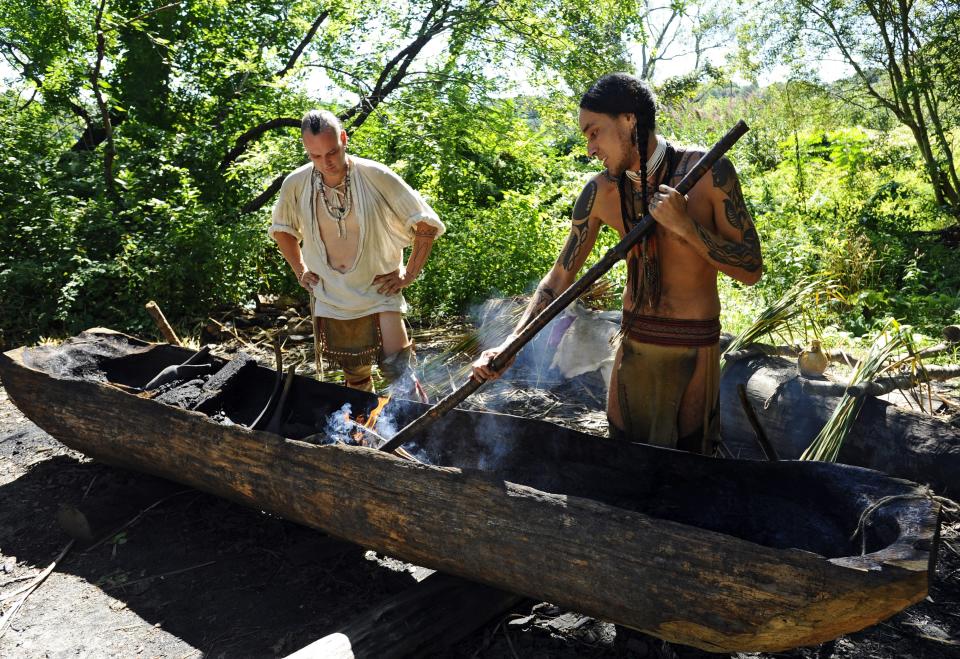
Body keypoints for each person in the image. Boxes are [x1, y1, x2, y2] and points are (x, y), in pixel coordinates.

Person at [473, 73, 762, 454]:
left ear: (629, 120)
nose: (590, 148)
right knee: (624, 461)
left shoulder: (709, 173)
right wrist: (511, 342)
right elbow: (560, 276)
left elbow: (751, 269)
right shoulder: (601, 191)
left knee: (689, 469)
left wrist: (686, 227)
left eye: (594, 132)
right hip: (634, 348)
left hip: (694, 350)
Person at [270, 109, 444, 395]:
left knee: (400, 373)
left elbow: (425, 224)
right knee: (356, 381)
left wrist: (408, 273)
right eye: (315, 156)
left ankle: (421, 430)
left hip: (379, 290)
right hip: (331, 295)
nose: (326, 163)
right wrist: (300, 270)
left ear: (343, 138)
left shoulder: (376, 175)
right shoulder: (296, 183)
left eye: (332, 152)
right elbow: (282, 230)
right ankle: (365, 436)